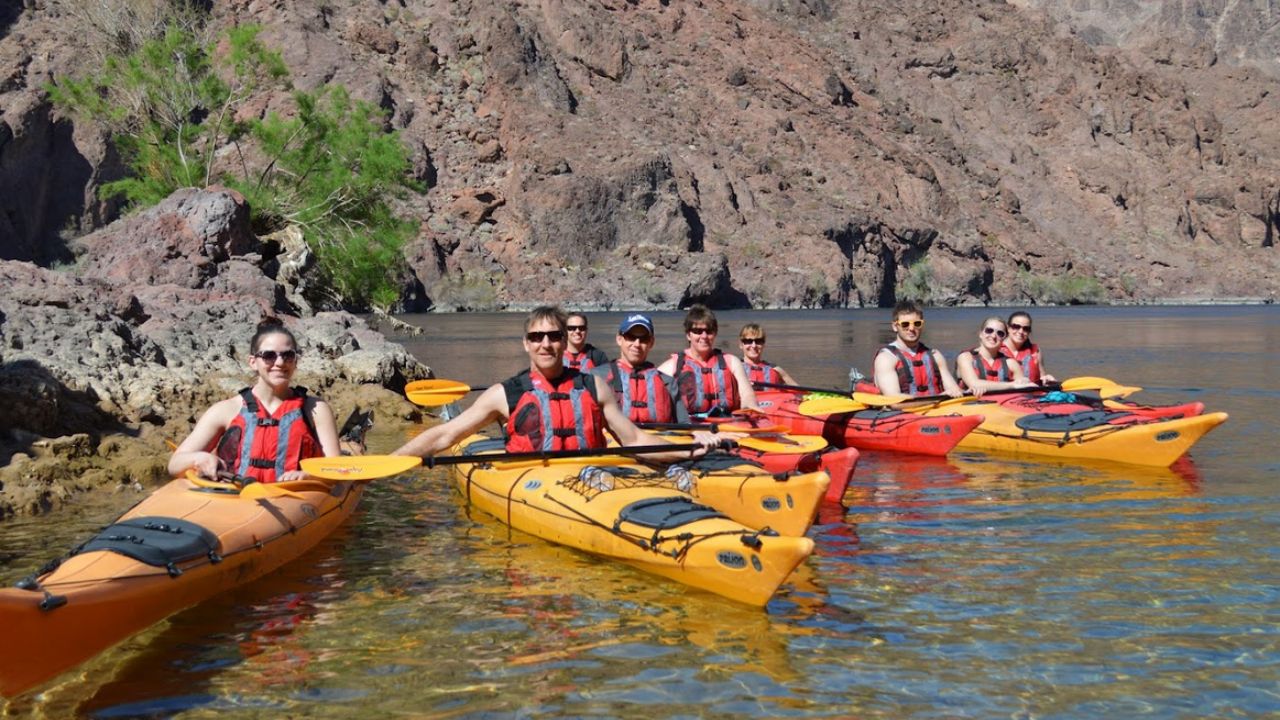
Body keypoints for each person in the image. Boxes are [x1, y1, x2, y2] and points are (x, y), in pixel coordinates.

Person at [393, 306, 721, 461]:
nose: (545, 343)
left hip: (594, 477)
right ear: (526, 343)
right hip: (534, 483)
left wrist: (690, 448)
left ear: (565, 341)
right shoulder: (504, 393)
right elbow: (446, 434)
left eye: (553, 336)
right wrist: (396, 460)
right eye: (537, 337)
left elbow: (634, 438)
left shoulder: (594, 386)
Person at [168, 319, 343, 483]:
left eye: (288, 355)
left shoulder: (316, 409)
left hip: (297, 497)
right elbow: (175, 464)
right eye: (269, 356)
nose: (280, 362)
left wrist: (308, 476)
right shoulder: (226, 410)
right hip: (238, 497)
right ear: (253, 362)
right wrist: (200, 457)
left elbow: (334, 469)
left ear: (296, 361)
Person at [656, 304, 758, 415]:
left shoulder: (732, 362)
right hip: (689, 425)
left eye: (709, 331)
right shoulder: (670, 367)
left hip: (727, 423)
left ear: (715, 333)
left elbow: (747, 394)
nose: (704, 336)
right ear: (688, 335)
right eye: (698, 331)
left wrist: (750, 405)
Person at [592, 313, 690, 424]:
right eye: (631, 337)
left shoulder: (667, 382)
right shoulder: (595, 378)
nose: (637, 344)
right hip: (615, 439)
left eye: (643, 339)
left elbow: (685, 424)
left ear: (651, 343)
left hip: (658, 439)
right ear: (619, 339)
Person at [872, 300, 965, 398]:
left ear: (922, 325)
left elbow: (954, 390)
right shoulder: (886, 358)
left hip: (938, 408)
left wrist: (956, 392)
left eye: (917, 323)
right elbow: (894, 400)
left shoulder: (935, 355)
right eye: (905, 324)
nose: (911, 328)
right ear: (895, 327)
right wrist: (936, 398)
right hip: (903, 411)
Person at [954, 317, 1039, 397]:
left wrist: (1024, 381)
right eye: (989, 330)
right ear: (980, 334)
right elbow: (974, 384)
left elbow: (1022, 387)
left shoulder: (1011, 363)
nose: (993, 336)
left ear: (1004, 338)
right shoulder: (965, 358)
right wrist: (1013, 385)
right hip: (970, 405)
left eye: (1000, 333)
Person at [1001, 310, 1056, 384]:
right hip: (1004, 394)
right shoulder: (995, 349)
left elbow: (1042, 376)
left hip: (1031, 393)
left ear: (1029, 331)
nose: (1021, 331)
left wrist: (1046, 378)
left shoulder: (1036, 351)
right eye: (1016, 327)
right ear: (1008, 328)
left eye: (1026, 329)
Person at [738, 323, 798, 387]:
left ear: (764, 345)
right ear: (741, 345)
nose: (754, 345)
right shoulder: (733, 368)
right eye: (748, 341)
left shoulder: (776, 370)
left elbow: (800, 391)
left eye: (759, 341)